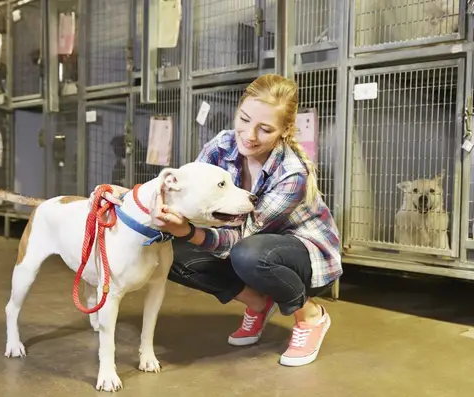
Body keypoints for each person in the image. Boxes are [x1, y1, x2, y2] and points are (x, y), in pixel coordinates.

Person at [94, 74, 342, 367]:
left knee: (249, 254)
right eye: (244, 119)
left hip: (301, 252)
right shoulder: (222, 145)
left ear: (285, 130)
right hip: (244, 241)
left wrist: (187, 231)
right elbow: (192, 196)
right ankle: (258, 303)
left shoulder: (291, 174)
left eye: (264, 129)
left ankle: (310, 315)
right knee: (165, 250)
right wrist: (136, 197)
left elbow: (242, 237)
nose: (249, 135)